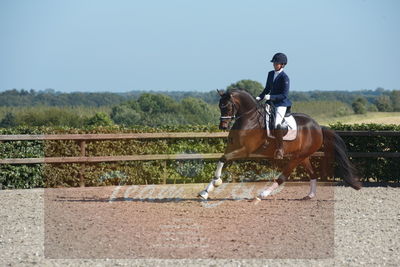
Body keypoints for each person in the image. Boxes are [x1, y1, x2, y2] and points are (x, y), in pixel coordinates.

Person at [256, 52, 292, 159]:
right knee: (261, 118)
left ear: (282, 65)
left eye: (276, 63)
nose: (274, 65)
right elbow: (267, 89)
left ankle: (280, 148)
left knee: (276, 123)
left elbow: (284, 95)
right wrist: (260, 97)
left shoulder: (285, 78)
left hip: (281, 104)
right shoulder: (270, 74)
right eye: (274, 63)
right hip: (270, 103)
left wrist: (271, 97)